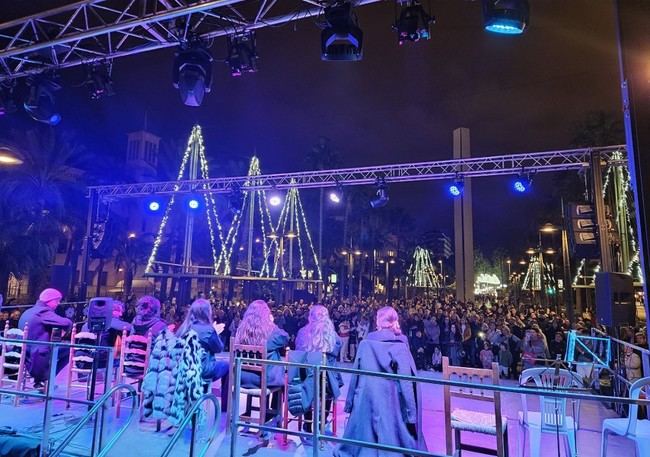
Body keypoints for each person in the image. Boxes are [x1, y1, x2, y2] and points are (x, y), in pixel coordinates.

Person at [335, 306, 427, 457]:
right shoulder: (400, 344)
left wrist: (350, 403)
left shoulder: (366, 342)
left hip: (366, 401)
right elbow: (406, 381)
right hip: (390, 403)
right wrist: (411, 413)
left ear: (378, 321)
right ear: (395, 321)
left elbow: (356, 373)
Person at [234, 299, 289, 437]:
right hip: (262, 381)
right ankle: (273, 415)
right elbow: (285, 338)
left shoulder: (240, 331)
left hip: (242, 378)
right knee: (280, 373)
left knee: (273, 360)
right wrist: (272, 323)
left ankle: (244, 419)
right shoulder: (271, 332)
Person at [292, 305, 343, 437]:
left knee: (308, 382)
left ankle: (307, 422)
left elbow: (298, 352)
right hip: (326, 384)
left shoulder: (302, 332)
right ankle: (322, 421)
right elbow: (336, 351)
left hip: (305, 380)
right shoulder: (333, 336)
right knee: (331, 378)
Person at [18, 288, 73, 389]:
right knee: (70, 349)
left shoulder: (29, 311)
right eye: (56, 301)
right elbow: (66, 322)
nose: (58, 303)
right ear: (49, 300)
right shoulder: (43, 311)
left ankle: (41, 381)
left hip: (26, 354)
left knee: (58, 348)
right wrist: (64, 331)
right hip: (37, 354)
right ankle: (47, 378)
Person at [176, 298, 229, 384]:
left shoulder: (183, 328)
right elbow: (219, 348)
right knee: (227, 365)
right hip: (202, 370)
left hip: (183, 369)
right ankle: (226, 397)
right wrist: (215, 332)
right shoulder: (209, 330)